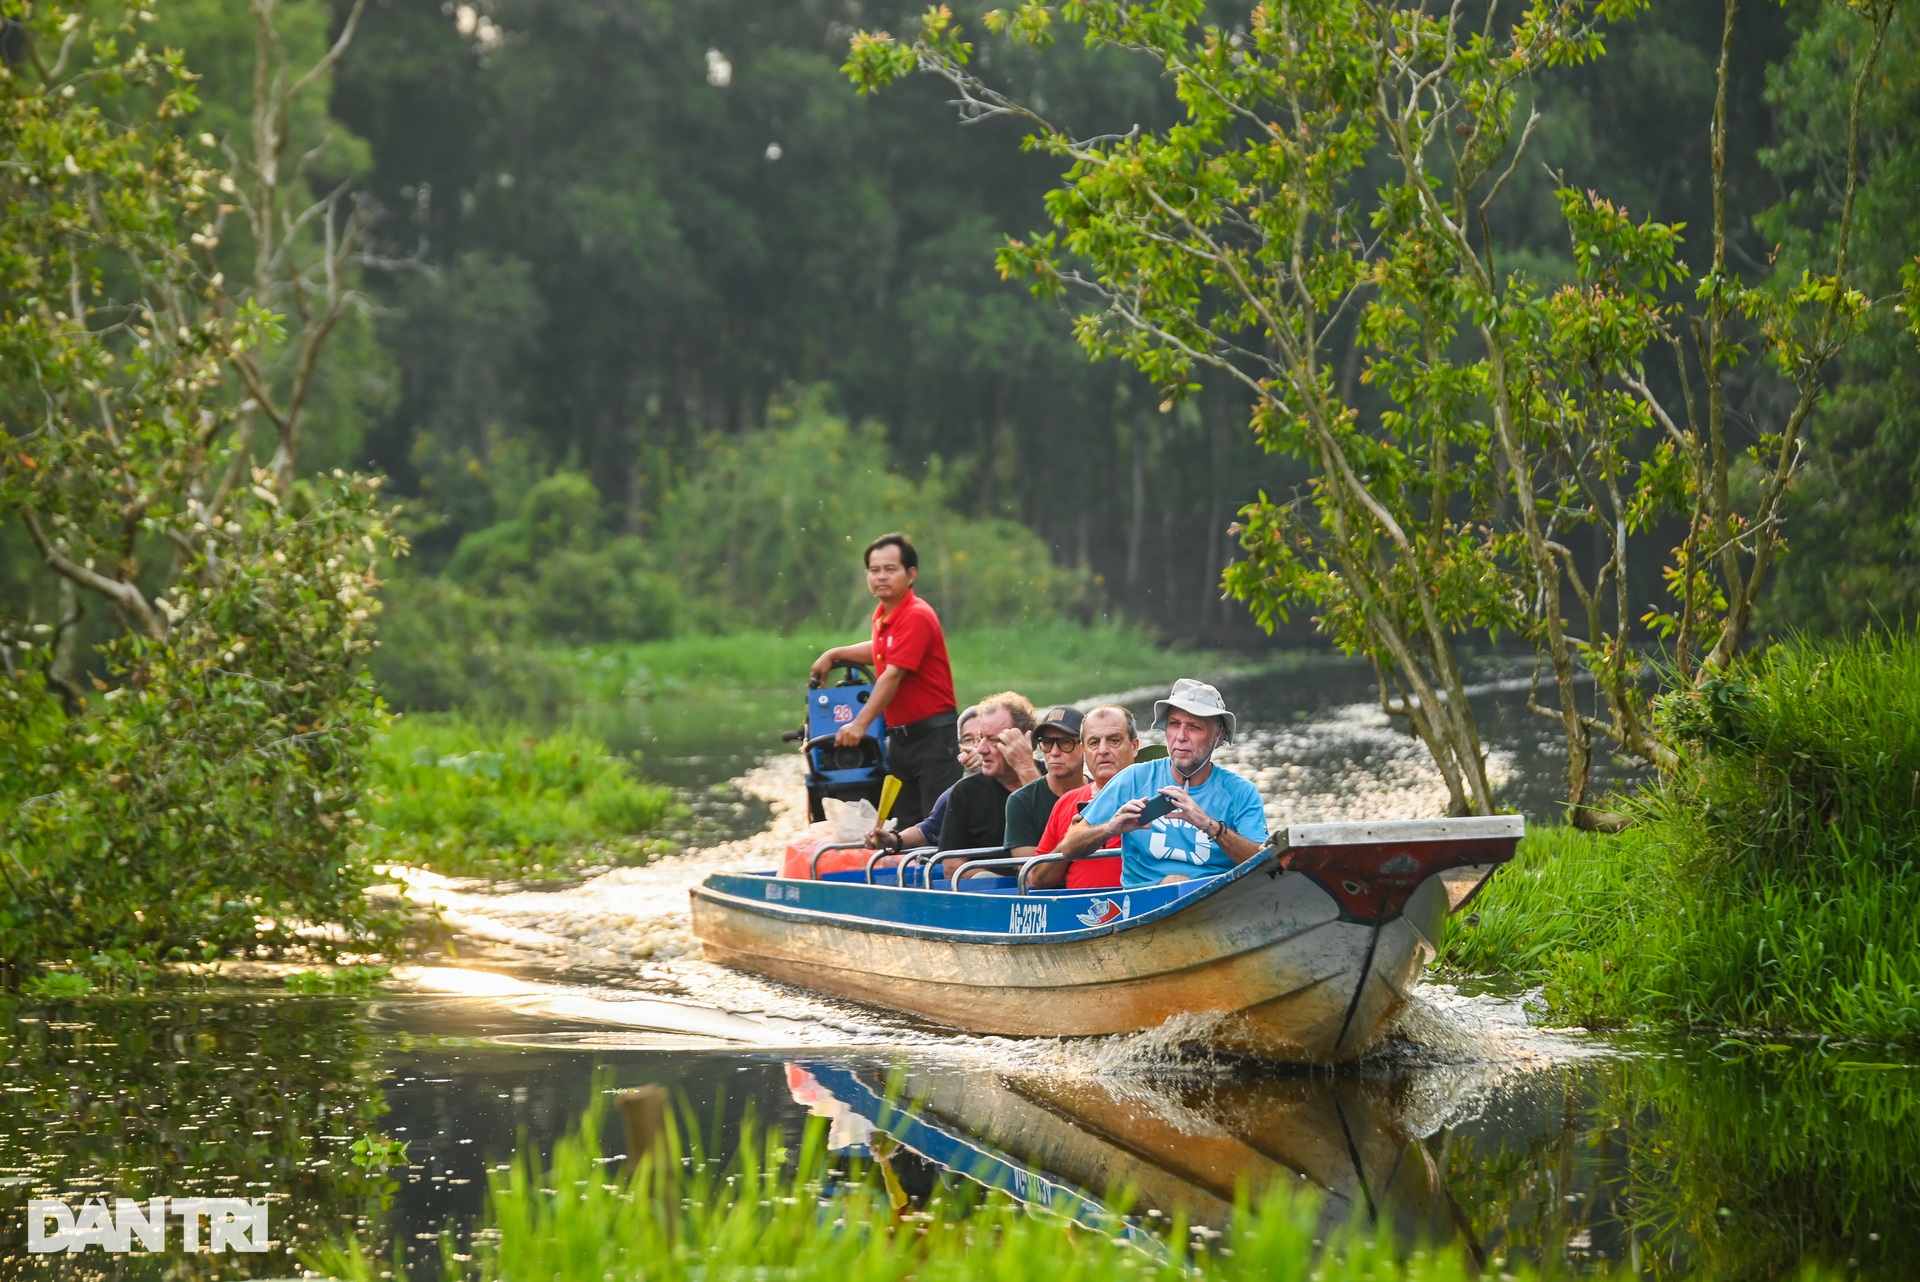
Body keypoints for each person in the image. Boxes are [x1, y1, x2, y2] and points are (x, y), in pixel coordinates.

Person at [809, 532, 959, 830]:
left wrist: (860, 724)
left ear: (911, 574)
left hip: (932, 741)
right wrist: (834, 654)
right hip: (900, 742)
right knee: (902, 828)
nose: (881, 577)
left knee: (939, 828)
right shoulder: (884, 615)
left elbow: (892, 674)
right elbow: (880, 651)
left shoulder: (916, 614)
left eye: (890, 569)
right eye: (874, 570)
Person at [1058, 679, 1268, 888]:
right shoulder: (1133, 778)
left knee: (1179, 883)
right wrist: (1110, 828)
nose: (1181, 737)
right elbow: (1069, 847)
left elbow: (1265, 865)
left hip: (1217, 903)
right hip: (1142, 906)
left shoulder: (1241, 791)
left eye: (1194, 727)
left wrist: (1208, 825)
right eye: (1174, 724)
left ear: (1219, 735)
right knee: (1174, 882)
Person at [1027, 705, 1140, 890]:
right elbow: (1037, 880)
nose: (1103, 750)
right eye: (1094, 742)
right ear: (1084, 750)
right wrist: (1071, 842)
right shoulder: (1066, 802)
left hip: (1142, 908)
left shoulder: (1154, 794)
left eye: (1114, 740)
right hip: (1077, 912)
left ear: (1134, 746)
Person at [935, 692, 1038, 870]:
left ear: (1024, 740)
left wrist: (1026, 769)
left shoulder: (1055, 778)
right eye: (981, 737)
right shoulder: (965, 792)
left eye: (993, 740)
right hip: (990, 893)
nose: (981, 749)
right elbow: (952, 867)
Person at [867, 705, 981, 852]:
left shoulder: (1017, 782)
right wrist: (892, 839)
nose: (977, 746)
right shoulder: (956, 794)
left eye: (983, 738)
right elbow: (927, 830)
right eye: (968, 740)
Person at [1003, 705, 1086, 860]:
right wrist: (1073, 840)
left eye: (1065, 742)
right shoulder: (1020, 801)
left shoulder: (1100, 792)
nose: (1054, 752)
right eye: (1047, 742)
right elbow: (1029, 874)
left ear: (1084, 746)